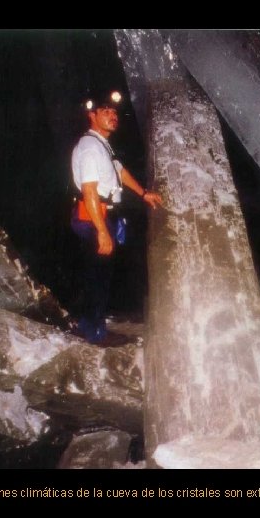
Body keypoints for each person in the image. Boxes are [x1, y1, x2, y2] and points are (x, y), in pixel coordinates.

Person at [70, 90, 162, 343]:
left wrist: (144, 194)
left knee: (100, 273)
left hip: (102, 215)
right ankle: (93, 333)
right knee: (97, 276)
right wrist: (101, 231)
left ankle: (92, 325)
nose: (113, 116)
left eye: (114, 112)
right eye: (105, 111)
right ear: (92, 116)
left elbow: (119, 172)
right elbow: (89, 190)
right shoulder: (89, 147)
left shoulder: (102, 144)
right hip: (93, 217)